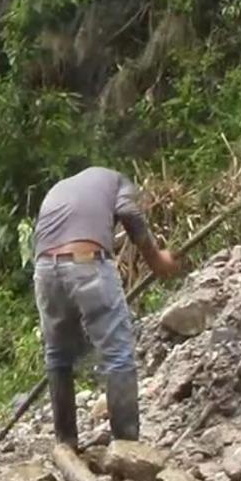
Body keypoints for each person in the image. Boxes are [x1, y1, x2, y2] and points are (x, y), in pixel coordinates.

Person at [33, 166, 180, 444]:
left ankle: (66, 442)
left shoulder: (62, 188)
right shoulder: (119, 181)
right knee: (118, 354)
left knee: (57, 356)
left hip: (44, 270)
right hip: (87, 262)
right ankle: (126, 446)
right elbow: (130, 213)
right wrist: (157, 260)